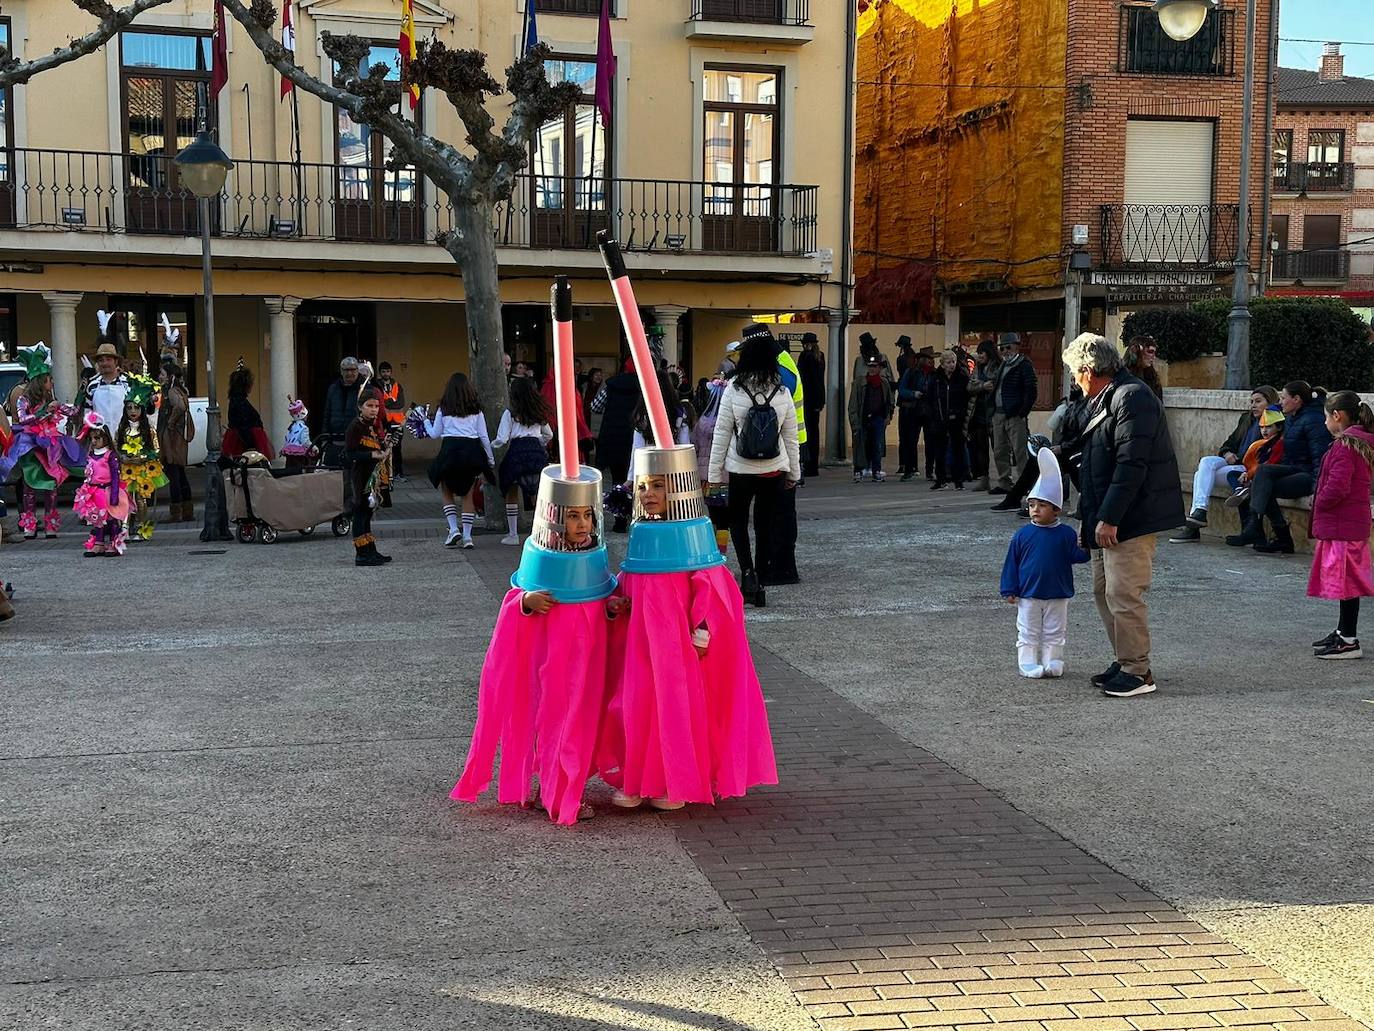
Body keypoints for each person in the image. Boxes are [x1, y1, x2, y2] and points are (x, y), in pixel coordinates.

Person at [1065, 332, 1182, 699]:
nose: (1072, 380)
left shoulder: (1132, 397)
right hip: (1109, 513)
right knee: (1105, 591)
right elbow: (1091, 464)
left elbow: (1133, 463)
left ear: (1088, 369)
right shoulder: (1107, 397)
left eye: (1073, 372)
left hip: (1132, 515)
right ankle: (1125, 659)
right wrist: (1089, 518)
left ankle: (1137, 671)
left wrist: (1109, 517)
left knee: (1123, 593)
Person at [706, 335, 801, 608]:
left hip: (741, 469)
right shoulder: (782, 391)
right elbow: (790, 437)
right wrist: (793, 472)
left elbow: (721, 433)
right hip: (774, 470)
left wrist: (714, 475)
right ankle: (760, 581)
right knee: (764, 525)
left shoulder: (734, 388)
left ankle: (746, 571)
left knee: (737, 521)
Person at [1000, 447, 1090, 678]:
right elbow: (1012, 563)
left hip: (1058, 593)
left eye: (1042, 505)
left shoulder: (1066, 534)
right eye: (1031, 505)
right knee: (1028, 631)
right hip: (1029, 593)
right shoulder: (1022, 535)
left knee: (1055, 630)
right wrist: (1009, 588)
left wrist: (1085, 543)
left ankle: (1053, 660)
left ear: (1056, 509)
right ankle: (1028, 663)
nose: (1035, 510)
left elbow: (1078, 557)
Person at [1226, 381, 1333, 555]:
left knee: (1262, 485)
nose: (1281, 402)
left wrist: (1316, 489)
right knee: (1262, 473)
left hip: (1308, 475)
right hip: (1293, 468)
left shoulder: (1313, 420)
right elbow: (1274, 408)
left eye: (1284, 398)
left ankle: (1272, 534)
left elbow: (1320, 459)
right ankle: (1262, 529)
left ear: (1297, 399)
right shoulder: (1293, 415)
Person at [1307, 390, 1374, 660]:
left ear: (1337, 416)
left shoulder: (1346, 445)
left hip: (1343, 525)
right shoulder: (1357, 443)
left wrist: (1320, 501)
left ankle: (1348, 639)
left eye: (1326, 417)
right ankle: (1343, 631)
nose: (1324, 423)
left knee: (1346, 584)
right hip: (1349, 524)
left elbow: (1338, 486)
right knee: (1346, 584)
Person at [1169, 386, 1280, 543]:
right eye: (1251, 401)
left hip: (1247, 468)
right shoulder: (1246, 419)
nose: (1253, 405)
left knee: (1198, 475)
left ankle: (1193, 528)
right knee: (1206, 462)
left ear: (1270, 402)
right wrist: (1227, 452)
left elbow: (1267, 452)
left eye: (1258, 401)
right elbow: (1230, 442)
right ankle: (1200, 511)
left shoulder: (1276, 423)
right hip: (1234, 463)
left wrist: (1239, 457)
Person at [0, 345, 82, 539]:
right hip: (30, 445)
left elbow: (73, 412)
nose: (52, 382)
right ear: (41, 381)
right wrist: (45, 412)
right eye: (49, 379)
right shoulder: (23, 399)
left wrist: (81, 394)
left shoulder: (50, 398)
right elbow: (22, 418)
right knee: (29, 485)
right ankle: (29, 525)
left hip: (50, 445)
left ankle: (51, 525)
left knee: (51, 485)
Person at [424, 372, 496, 550]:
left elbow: (434, 434)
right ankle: (467, 536)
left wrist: (425, 422)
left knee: (446, 490)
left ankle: (454, 529)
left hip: (450, 452)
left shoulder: (444, 408)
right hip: (471, 453)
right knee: (468, 494)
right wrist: (490, 459)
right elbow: (484, 436)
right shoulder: (476, 409)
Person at [494, 376, 553, 546]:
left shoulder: (510, 413)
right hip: (536, 453)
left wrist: (493, 444)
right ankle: (541, 533)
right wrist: (539, 443)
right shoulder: (538, 412)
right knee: (536, 493)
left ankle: (513, 535)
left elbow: (503, 438)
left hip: (516, 453)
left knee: (511, 490)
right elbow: (549, 434)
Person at [115, 376, 167, 542]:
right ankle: (124, 528)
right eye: (129, 407)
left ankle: (142, 527)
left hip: (142, 469)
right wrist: (123, 458)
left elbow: (156, 450)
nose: (133, 411)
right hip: (126, 469)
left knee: (141, 498)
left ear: (142, 409)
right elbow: (115, 447)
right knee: (125, 499)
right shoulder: (121, 428)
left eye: (136, 407)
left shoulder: (148, 429)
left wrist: (142, 458)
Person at [346, 388, 394, 567]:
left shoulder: (373, 425)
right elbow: (350, 454)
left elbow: (379, 446)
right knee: (360, 513)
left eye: (376, 406)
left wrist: (386, 446)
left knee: (367, 514)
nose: (374, 409)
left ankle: (370, 550)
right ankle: (361, 554)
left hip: (373, 476)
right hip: (361, 476)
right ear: (360, 407)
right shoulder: (355, 427)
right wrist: (372, 455)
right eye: (369, 406)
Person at [72, 415, 130, 556]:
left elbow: (116, 476)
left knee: (110, 519)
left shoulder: (110, 455)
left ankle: (113, 543)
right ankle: (98, 543)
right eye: (91, 438)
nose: (93, 441)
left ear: (105, 438)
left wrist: (115, 495)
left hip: (107, 491)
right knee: (96, 519)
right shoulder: (91, 454)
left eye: (97, 438)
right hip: (94, 492)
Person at [990, 332, 1037, 493]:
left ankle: (1024, 485)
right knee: (999, 450)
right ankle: (1005, 482)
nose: (1004, 351)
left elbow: (1031, 390)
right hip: (999, 414)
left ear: (1016, 347)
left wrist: (1022, 412)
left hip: (1014, 415)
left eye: (1008, 347)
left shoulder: (1024, 365)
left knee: (1020, 452)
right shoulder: (1003, 365)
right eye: (1002, 348)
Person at [924, 349, 970, 490]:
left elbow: (966, 398)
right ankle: (940, 479)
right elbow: (929, 397)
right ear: (942, 364)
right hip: (939, 418)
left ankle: (958, 480)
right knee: (939, 451)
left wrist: (960, 413)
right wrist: (933, 414)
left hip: (956, 418)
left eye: (953, 362)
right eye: (948, 362)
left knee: (958, 450)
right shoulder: (936, 378)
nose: (952, 365)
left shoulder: (962, 377)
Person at [591, 359, 642, 484]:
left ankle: (618, 498)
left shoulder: (611, 385)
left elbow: (594, 406)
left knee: (616, 477)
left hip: (612, 436)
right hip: (633, 436)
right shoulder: (642, 386)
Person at [156, 361, 195, 523]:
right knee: (180, 473)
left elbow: (179, 407)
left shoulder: (172, 391)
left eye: (162, 374)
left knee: (174, 473)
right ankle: (187, 511)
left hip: (171, 439)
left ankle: (176, 512)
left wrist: (170, 423)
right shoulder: (179, 390)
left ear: (170, 376)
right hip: (176, 438)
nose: (160, 377)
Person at [849, 355, 894, 483]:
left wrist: (888, 416)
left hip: (878, 418)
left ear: (879, 368)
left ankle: (876, 471)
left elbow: (889, 401)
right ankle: (858, 470)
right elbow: (853, 404)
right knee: (860, 445)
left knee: (876, 445)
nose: (872, 369)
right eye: (870, 366)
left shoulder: (884, 383)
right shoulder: (859, 383)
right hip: (863, 417)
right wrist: (854, 421)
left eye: (874, 366)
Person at [74, 340, 130, 434]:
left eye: (108, 359)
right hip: (101, 437)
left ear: (116, 361)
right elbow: (88, 413)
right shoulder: (92, 386)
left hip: (125, 436)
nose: (105, 363)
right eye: (101, 360)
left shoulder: (128, 383)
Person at [221, 365, 275, 462]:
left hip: (244, 439)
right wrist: (251, 446)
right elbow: (243, 425)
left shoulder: (237, 400)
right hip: (244, 442)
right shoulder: (239, 402)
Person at [966, 338, 999, 490]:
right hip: (977, 413)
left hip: (993, 413)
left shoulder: (998, 367)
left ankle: (1005, 478)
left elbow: (995, 385)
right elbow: (970, 386)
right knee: (981, 448)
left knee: (998, 448)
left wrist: (985, 386)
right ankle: (984, 478)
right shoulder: (977, 369)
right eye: (978, 353)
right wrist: (982, 386)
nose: (979, 356)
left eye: (982, 353)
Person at [896, 348, 931, 481]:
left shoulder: (932, 374)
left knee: (930, 442)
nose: (928, 361)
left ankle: (929, 471)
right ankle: (909, 469)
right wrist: (913, 394)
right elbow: (902, 390)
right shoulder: (910, 372)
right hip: (913, 410)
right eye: (926, 359)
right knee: (910, 441)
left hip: (928, 411)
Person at [797, 331, 826, 478]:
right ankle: (813, 466)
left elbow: (802, 378)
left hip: (806, 399)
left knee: (806, 433)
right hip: (817, 399)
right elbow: (819, 381)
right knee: (815, 432)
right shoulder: (820, 357)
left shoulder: (805, 357)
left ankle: (807, 465)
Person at [376, 361, 407, 478]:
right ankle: (385, 473)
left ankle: (398, 472)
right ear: (380, 373)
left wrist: (387, 402)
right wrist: (392, 400)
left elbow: (400, 403)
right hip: (384, 422)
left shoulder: (397, 386)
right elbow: (379, 402)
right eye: (383, 372)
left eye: (388, 371)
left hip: (398, 422)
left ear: (391, 372)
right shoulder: (376, 385)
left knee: (397, 448)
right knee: (383, 447)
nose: (386, 374)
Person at [322, 357, 362, 442]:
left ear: (358, 370)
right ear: (341, 371)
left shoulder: (364, 389)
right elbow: (327, 413)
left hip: (358, 438)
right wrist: (324, 438)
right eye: (346, 370)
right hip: (336, 437)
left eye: (352, 370)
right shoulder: (333, 388)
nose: (349, 373)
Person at [280, 397, 315, 471]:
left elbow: (287, 438)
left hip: (289, 453)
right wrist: (313, 447)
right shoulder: (304, 428)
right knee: (298, 472)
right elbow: (305, 442)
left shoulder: (291, 426)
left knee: (289, 471)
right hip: (298, 455)